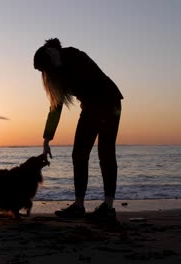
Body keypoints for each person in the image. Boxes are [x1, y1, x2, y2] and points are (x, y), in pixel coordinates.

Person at [33, 38, 123, 221]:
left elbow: (89, 81)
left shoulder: (75, 56)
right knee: (84, 155)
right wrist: (47, 139)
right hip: (96, 106)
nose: (45, 74)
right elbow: (55, 107)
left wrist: (59, 66)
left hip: (106, 102)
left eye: (44, 69)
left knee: (102, 154)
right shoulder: (57, 72)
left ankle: (103, 207)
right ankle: (84, 206)